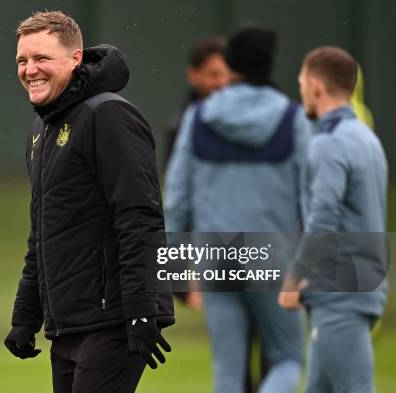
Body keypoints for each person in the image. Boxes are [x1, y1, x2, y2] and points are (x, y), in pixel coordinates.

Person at [4, 10, 174, 393]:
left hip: (113, 320)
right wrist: (26, 316)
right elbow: (43, 232)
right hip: (68, 326)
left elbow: (140, 216)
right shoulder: (42, 130)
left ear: (75, 58)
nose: (30, 70)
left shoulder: (109, 114)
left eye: (42, 58)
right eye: (22, 60)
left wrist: (143, 309)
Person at [165, 26, 310, 393]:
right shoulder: (292, 118)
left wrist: (177, 270)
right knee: (289, 358)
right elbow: (313, 196)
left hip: (214, 253)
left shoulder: (198, 117)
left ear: (230, 66)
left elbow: (178, 200)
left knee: (227, 371)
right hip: (272, 254)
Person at [280, 46, 388, 393]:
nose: (301, 91)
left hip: (339, 294)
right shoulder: (367, 139)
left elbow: (322, 220)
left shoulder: (328, 144)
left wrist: (294, 278)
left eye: (300, 83)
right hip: (353, 291)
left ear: (316, 87)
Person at [162, 37, 229, 167]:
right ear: (193, 75)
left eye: (227, 75)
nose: (222, 83)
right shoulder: (178, 129)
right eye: (214, 75)